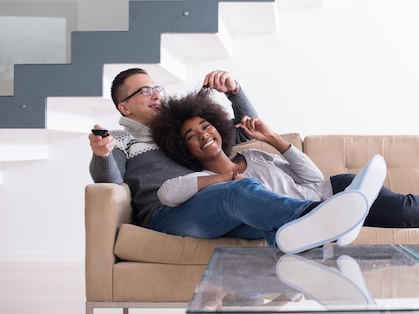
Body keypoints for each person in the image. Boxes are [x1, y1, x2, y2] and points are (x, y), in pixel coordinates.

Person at [87, 67, 386, 254]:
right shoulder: (121, 139)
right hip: (168, 214)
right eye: (145, 91)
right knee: (239, 189)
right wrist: (101, 155)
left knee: (271, 227)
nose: (156, 94)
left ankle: (268, 294)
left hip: (208, 205)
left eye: (157, 88)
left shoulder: (180, 130)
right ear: (124, 107)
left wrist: (234, 92)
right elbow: (110, 183)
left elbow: (245, 130)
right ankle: (325, 214)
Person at [151, 91, 419, 230]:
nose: (203, 135)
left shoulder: (254, 157)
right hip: (326, 216)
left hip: (337, 191)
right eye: (191, 136)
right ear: (185, 149)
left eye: (205, 126)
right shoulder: (203, 184)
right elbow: (169, 194)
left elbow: (314, 182)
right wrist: (223, 181)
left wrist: (275, 140)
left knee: (407, 212)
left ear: (218, 126)